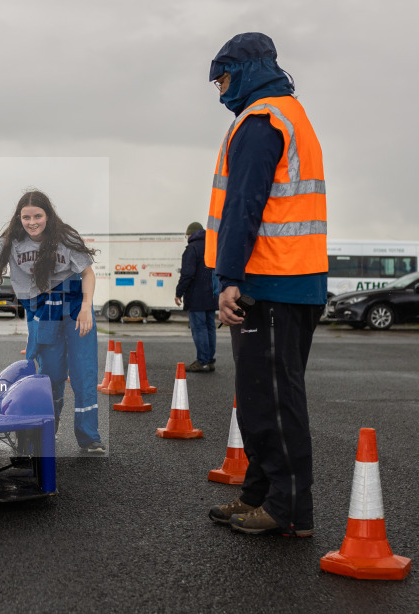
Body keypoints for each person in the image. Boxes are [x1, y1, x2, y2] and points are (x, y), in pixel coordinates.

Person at [203, 33, 327, 536]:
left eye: (224, 78)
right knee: (266, 396)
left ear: (248, 70)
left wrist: (230, 279)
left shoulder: (260, 123)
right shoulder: (291, 116)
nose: (220, 92)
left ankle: (288, 509)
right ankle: (260, 494)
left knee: (270, 400)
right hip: (295, 278)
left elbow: (243, 206)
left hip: (270, 282)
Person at [0, 189, 106, 453]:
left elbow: (88, 273)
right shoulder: (13, 240)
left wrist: (87, 306)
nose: (32, 222)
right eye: (26, 217)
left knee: (83, 375)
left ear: (48, 216)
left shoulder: (65, 238)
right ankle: (46, 431)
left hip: (75, 310)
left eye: (38, 216)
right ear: (19, 218)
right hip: (43, 313)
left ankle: (90, 439)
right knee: (50, 376)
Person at [175, 221, 219, 372]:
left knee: (199, 328)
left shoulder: (192, 249)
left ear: (191, 234)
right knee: (210, 328)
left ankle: (202, 361)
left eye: (187, 235)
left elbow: (187, 274)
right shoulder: (212, 247)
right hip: (212, 295)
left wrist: (178, 293)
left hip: (197, 296)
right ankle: (210, 360)